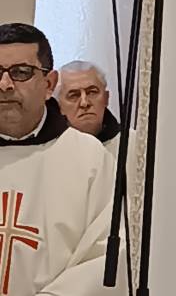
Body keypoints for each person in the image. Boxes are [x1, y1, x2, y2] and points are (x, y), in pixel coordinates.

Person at [0, 23, 121, 295]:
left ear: (49, 84)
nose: (5, 84)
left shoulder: (89, 160)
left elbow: (105, 255)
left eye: (21, 72)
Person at [56, 62, 121, 156]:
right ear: (59, 106)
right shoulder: (49, 149)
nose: (84, 103)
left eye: (92, 92)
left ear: (106, 98)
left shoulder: (134, 143)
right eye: (74, 95)